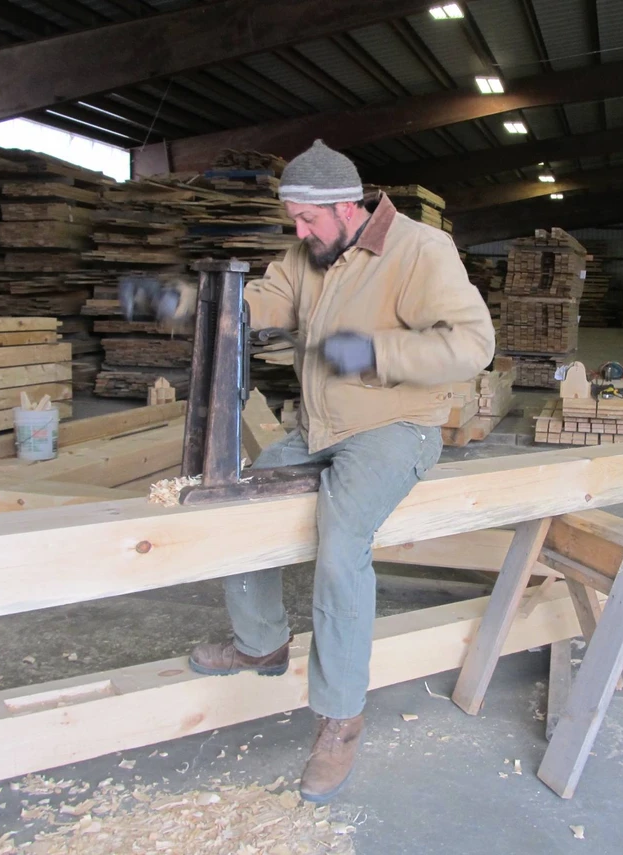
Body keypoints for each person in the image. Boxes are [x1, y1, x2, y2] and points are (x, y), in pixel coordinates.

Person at [169, 139, 494, 802]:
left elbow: (472, 344)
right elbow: (267, 299)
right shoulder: (303, 253)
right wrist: (201, 302)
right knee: (238, 501)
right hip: (318, 426)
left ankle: (341, 717)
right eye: (292, 218)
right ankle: (260, 643)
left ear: (347, 208)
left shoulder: (420, 252)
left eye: (307, 219)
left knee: (341, 542)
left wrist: (376, 351)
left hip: (394, 425)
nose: (297, 230)